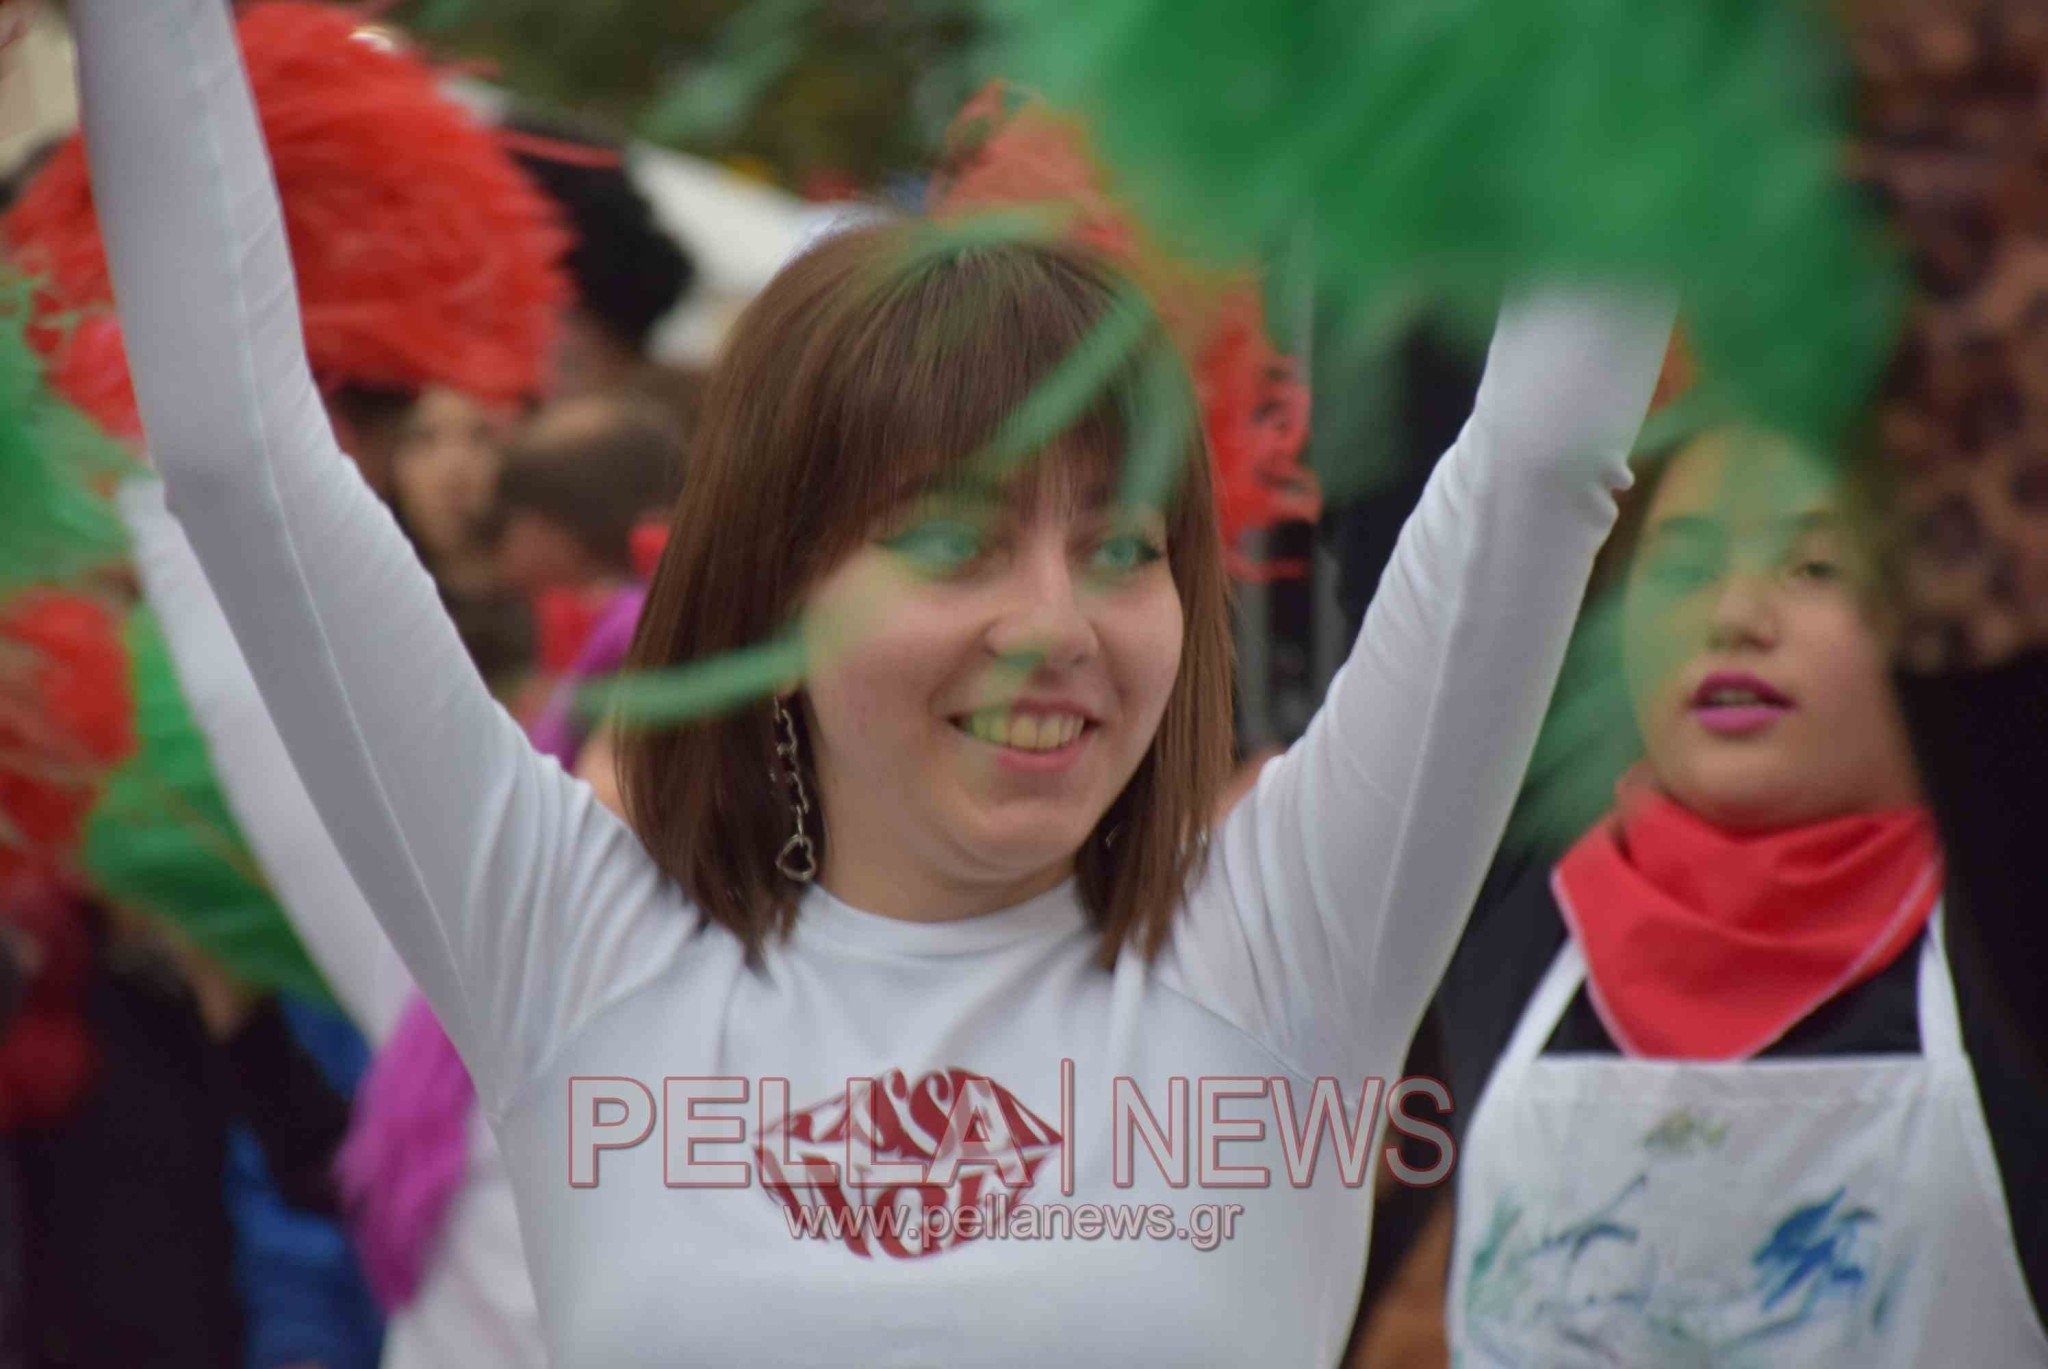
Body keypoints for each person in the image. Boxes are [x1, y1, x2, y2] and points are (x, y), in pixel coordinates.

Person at [74, 2, 1672, 1363]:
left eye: (1121, 552)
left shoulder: (1292, 941)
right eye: (960, 546)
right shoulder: (569, 942)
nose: (1057, 623)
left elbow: (1539, 458)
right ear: (779, 588)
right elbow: (239, 469)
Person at [1433, 426, 2047, 1365]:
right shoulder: (1488, 926)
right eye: (1682, 569)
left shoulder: (2015, 945)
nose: (1736, 615)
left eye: (1815, 568)